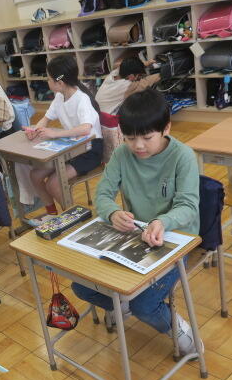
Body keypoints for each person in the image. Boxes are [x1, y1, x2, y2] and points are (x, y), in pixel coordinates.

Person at [71, 89, 201, 355]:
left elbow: (188, 206)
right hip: (135, 235)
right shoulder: (122, 155)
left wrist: (163, 222)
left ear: (166, 128)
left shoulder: (183, 156)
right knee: (81, 286)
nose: (138, 146)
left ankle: (176, 327)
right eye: (130, 138)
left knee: (144, 304)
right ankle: (124, 305)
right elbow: (103, 194)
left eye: (147, 138)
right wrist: (111, 213)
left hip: (174, 240)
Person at [27, 54, 104, 224]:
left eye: (49, 78)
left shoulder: (82, 99)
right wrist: (35, 130)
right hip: (71, 147)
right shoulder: (60, 96)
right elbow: (46, 118)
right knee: (35, 175)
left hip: (90, 150)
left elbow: (85, 129)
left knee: (53, 183)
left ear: (60, 82)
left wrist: (55, 134)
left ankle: (75, 220)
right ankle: (52, 213)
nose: (47, 81)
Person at [95, 56, 160, 115]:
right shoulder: (126, 85)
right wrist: (161, 74)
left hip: (97, 112)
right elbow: (145, 82)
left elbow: (122, 66)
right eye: (138, 76)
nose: (138, 78)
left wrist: (146, 63)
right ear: (131, 76)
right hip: (107, 118)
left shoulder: (112, 74)